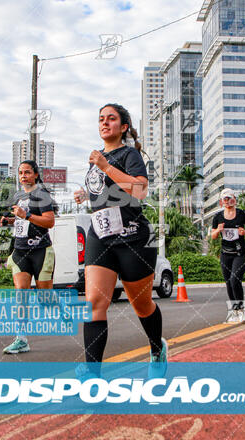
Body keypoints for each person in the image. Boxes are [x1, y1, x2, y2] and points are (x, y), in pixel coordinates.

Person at [74, 103, 167, 378]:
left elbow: (139, 190)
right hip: (100, 235)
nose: (105, 123)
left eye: (111, 119)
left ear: (123, 126)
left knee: (141, 304)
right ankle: (93, 374)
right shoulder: (95, 158)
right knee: (94, 303)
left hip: (133, 236)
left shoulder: (130, 154)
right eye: (101, 119)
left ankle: (156, 350)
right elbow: (103, 191)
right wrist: (86, 195)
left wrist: (105, 166)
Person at [1, 160, 56, 354]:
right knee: (21, 293)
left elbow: (49, 222)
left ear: (35, 175)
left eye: (27, 172)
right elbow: (21, 220)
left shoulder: (42, 194)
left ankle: (61, 307)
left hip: (41, 250)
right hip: (20, 250)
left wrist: (26, 216)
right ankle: (21, 339)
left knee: (45, 299)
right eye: (20, 172)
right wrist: (10, 220)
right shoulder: (18, 196)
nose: (23, 175)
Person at [211, 188, 245, 323]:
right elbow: (213, 236)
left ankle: (242, 311)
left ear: (234, 200)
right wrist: (218, 230)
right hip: (226, 254)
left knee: (235, 279)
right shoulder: (217, 217)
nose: (228, 201)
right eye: (225, 199)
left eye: (230, 198)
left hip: (240, 253)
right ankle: (234, 311)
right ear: (221, 202)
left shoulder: (241, 214)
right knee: (229, 283)